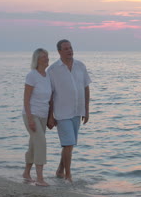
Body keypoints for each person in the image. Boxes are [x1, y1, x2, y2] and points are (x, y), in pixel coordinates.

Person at [47, 39, 91, 183]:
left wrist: (87, 110)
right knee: (69, 144)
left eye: (70, 48)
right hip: (62, 112)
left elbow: (86, 87)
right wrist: (50, 116)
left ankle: (60, 170)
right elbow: (50, 95)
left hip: (77, 111)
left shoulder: (80, 66)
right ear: (59, 51)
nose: (69, 51)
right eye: (65, 49)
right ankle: (68, 175)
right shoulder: (53, 70)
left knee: (69, 145)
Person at [22, 48, 51, 187]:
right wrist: (30, 118)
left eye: (47, 56)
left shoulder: (47, 76)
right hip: (31, 114)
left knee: (34, 144)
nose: (47, 59)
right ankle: (40, 178)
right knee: (41, 142)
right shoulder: (32, 75)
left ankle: (26, 173)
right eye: (43, 57)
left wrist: (51, 117)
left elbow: (50, 99)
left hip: (43, 115)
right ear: (37, 60)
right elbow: (26, 99)